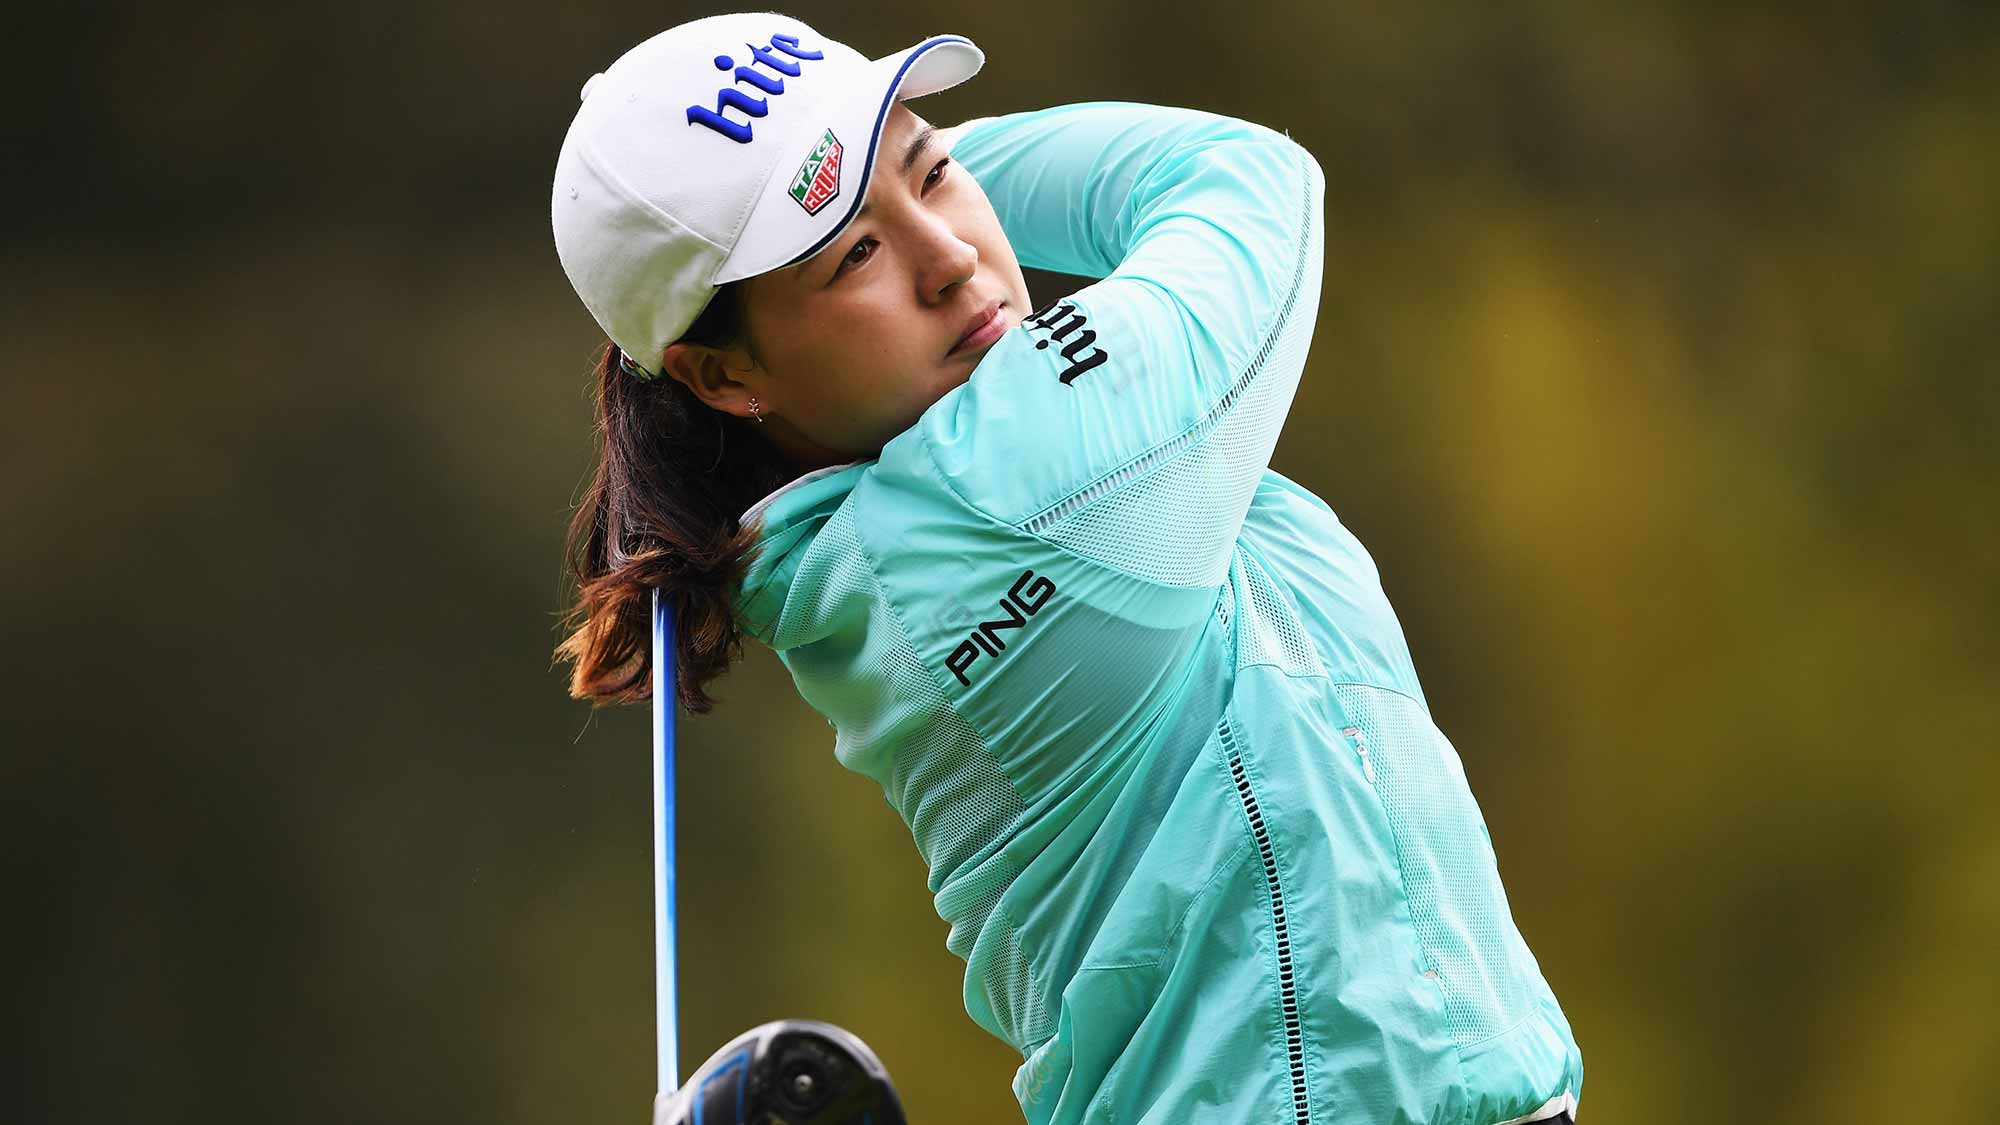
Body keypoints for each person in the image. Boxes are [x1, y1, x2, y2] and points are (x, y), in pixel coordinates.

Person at [551, 13, 1583, 1124]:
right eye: (853, 255)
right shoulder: (1006, 488)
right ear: (723, 374)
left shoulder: (884, 539)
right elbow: (1243, 176)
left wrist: (858, 176)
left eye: (937, 174)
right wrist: (910, 161)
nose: (949, 263)